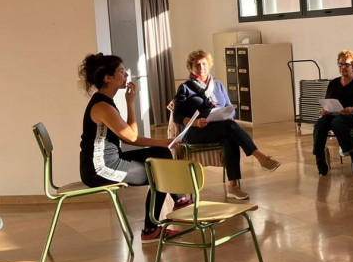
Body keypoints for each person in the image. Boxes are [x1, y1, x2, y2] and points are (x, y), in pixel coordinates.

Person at [78, 53, 178, 242]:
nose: (126, 76)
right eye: (122, 72)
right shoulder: (102, 106)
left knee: (162, 153)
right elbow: (131, 137)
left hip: (111, 161)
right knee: (161, 172)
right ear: (108, 78)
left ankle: (179, 201)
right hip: (100, 169)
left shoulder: (106, 102)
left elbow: (129, 136)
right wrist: (131, 103)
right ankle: (153, 227)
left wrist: (163, 143)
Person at [172, 50, 280, 201]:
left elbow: (230, 107)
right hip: (196, 131)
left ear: (209, 65)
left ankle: (233, 187)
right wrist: (196, 122)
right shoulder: (185, 88)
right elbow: (177, 116)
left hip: (219, 127)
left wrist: (229, 115)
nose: (201, 67)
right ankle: (260, 156)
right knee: (229, 127)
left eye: (204, 64)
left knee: (230, 138)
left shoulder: (218, 85)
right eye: (197, 65)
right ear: (190, 67)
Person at [312, 50, 353, 177]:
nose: (342, 67)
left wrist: (351, 109)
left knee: (337, 123)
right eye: (340, 65)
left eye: (346, 65)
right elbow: (328, 101)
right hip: (335, 113)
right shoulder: (333, 83)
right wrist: (325, 110)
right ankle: (319, 157)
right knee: (320, 123)